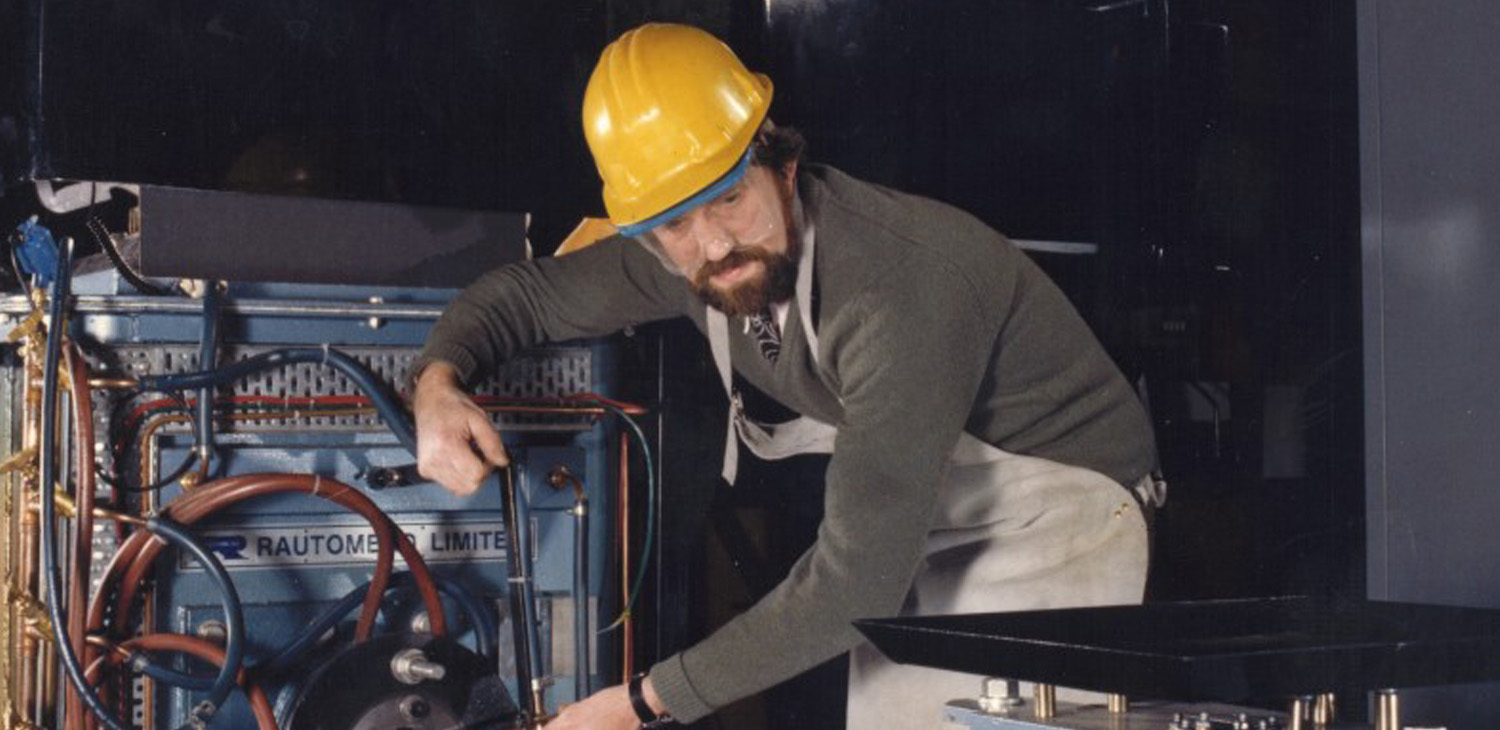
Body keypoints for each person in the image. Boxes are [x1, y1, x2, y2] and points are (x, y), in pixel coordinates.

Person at [413, 22, 1162, 730]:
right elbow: (526, 297)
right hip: (930, 527)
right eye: (675, 225)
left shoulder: (894, 291)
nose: (711, 246)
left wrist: (639, 703)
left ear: (784, 166)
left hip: (1068, 516)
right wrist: (438, 386)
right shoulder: (684, 250)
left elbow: (853, 587)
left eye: (730, 199)